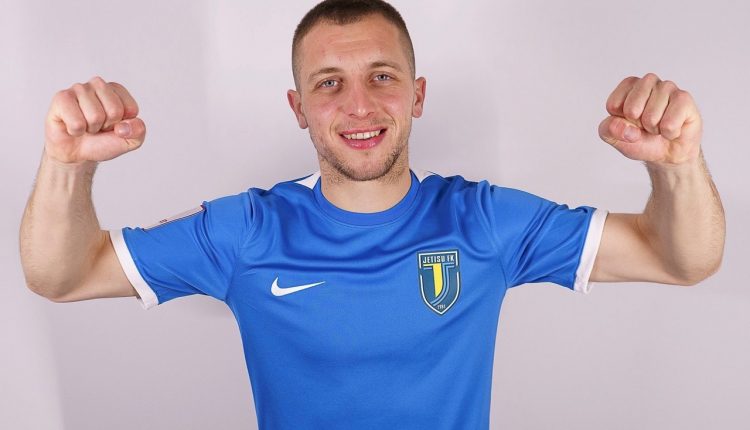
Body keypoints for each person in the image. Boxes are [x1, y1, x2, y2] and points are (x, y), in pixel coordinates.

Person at [19, 0, 725, 428]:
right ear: (298, 108)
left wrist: (677, 165)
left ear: (417, 94)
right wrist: (67, 165)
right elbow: (61, 275)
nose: (358, 106)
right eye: (329, 83)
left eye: (381, 77)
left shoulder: (483, 221)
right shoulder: (245, 232)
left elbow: (681, 259)